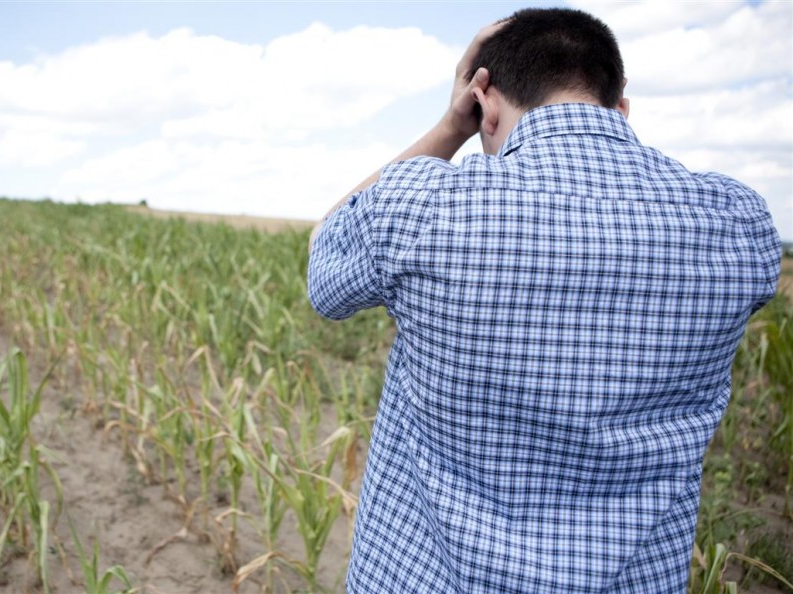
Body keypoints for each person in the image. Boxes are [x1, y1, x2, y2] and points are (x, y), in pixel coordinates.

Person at [307, 7, 781, 594]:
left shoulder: (423, 208)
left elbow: (323, 261)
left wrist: (449, 130)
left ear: (485, 103)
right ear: (621, 107)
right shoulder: (735, 224)